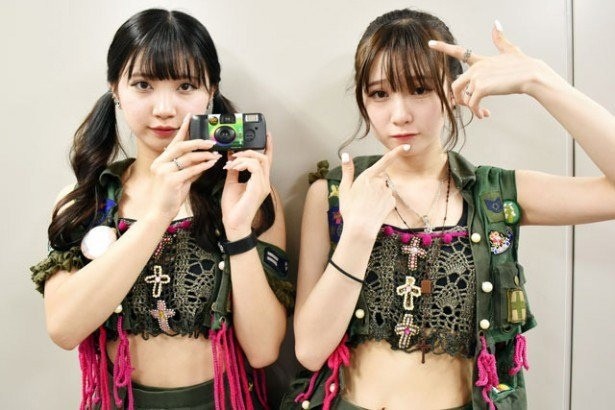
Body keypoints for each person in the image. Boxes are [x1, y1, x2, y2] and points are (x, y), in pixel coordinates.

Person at [283, 8, 615, 410]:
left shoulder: (495, 195)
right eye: (380, 94)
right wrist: (357, 232)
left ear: (454, 92)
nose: (400, 114)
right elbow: (310, 351)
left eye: (420, 89)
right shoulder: (333, 193)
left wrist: (539, 80)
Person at [30, 8, 293, 410]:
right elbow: (64, 329)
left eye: (185, 86)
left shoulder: (248, 194)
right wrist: (158, 214)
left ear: (211, 91)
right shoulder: (86, 200)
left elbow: (262, 351)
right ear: (115, 89)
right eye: (143, 85)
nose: (165, 108)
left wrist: (238, 229)